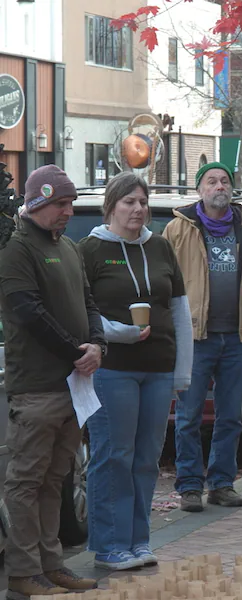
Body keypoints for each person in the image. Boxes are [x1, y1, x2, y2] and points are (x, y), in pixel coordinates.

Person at [78, 172, 192, 571]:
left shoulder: (160, 248)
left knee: (147, 458)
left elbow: (180, 311)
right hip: (112, 369)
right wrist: (118, 334)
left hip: (159, 368)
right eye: (129, 202)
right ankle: (109, 545)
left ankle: (139, 541)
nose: (138, 209)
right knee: (114, 455)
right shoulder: (89, 250)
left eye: (142, 202)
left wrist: (183, 371)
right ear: (111, 206)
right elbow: (81, 315)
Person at [0, 165, 103, 595]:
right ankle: (24, 573)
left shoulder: (69, 248)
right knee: (25, 482)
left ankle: (50, 563)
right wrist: (75, 352)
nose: (68, 211)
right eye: (61, 204)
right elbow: (28, 312)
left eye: (70, 203)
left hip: (72, 386)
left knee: (55, 479)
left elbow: (89, 301)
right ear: (38, 203)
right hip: (38, 387)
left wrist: (97, 342)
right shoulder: (18, 250)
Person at [164, 162, 242, 512]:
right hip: (196, 338)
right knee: (188, 416)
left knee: (230, 416)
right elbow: (163, 280)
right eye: (211, 181)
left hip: (236, 339)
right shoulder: (177, 230)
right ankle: (190, 487)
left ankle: (222, 483)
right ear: (200, 190)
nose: (219, 186)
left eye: (224, 181)